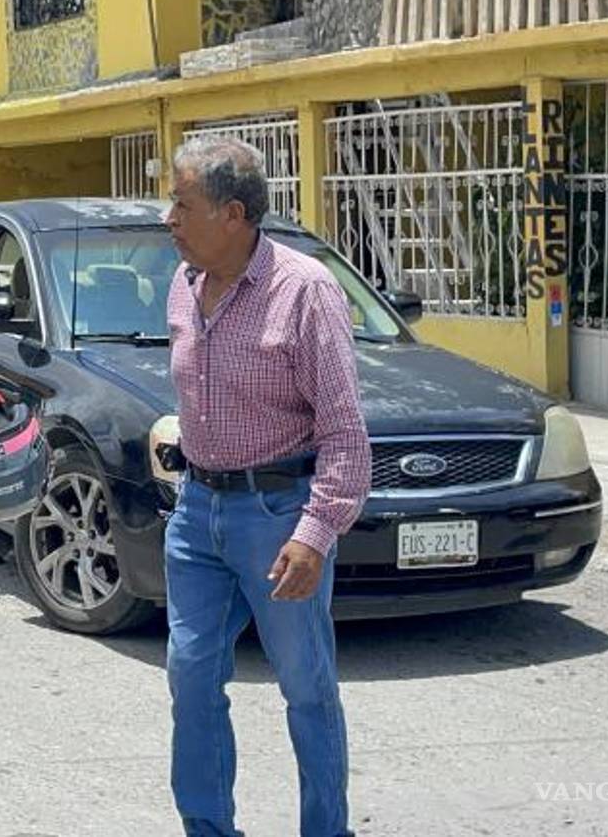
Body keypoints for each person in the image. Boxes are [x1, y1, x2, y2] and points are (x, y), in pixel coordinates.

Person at [163, 136, 370, 837]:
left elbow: (344, 430)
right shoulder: (183, 284)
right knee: (191, 676)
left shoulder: (304, 290)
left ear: (233, 214)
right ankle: (207, 827)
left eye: (182, 203)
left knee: (306, 686)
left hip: (278, 515)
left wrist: (316, 534)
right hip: (197, 512)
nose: (169, 218)